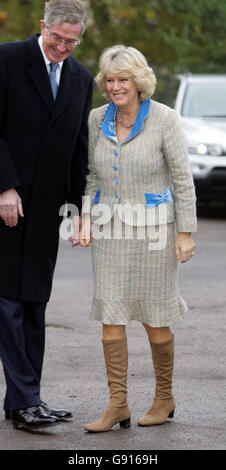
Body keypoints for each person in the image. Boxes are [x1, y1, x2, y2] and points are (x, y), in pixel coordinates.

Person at [80, 45, 197, 432]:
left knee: (155, 317)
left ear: (139, 81)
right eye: (110, 80)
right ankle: (118, 405)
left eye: (123, 79)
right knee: (111, 316)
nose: (115, 87)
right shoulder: (97, 119)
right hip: (110, 231)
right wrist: (84, 218)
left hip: (155, 235)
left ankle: (164, 397)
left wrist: (185, 231)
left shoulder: (164, 118)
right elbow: (92, 177)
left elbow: (182, 178)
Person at [0, 0, 93, 431]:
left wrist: (77, 207)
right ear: (43, 27)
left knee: (35, 302)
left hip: (46, 211)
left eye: (71, 42)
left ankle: (25, 401)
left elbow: (78, 148)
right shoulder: (8, 59)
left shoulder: (81, 78)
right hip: (7, 202)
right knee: (8, 301)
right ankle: (25, 399)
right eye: (56, 38)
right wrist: (4, 186)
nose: (62, 48)